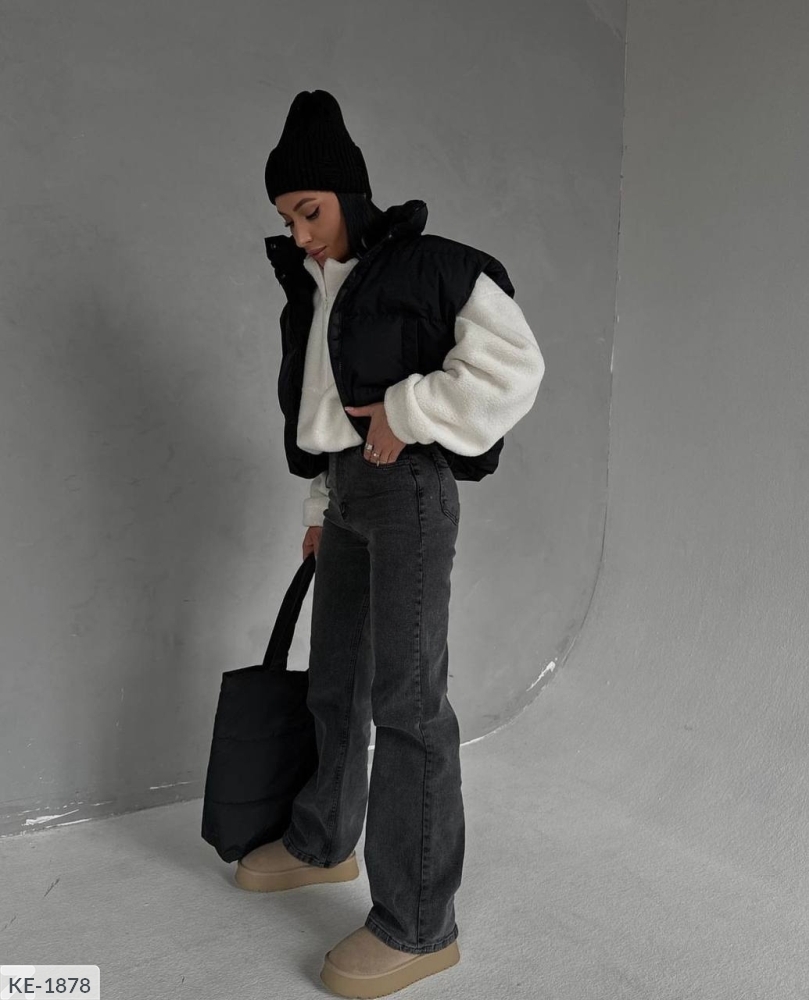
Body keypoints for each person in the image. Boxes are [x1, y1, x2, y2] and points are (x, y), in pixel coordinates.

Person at [236, 90, 545, 998]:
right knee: (334, 681)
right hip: (346, 498)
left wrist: (408, 412)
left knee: (409, 703)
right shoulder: (315, 291)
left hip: (408, 493)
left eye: (309, 210)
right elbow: (320, 411)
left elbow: (513, 365)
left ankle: (417, 924)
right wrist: (317, 501)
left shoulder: (431, 266)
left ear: (347, 194)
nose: (300, 234)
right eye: (287, 220)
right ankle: (322, 841)